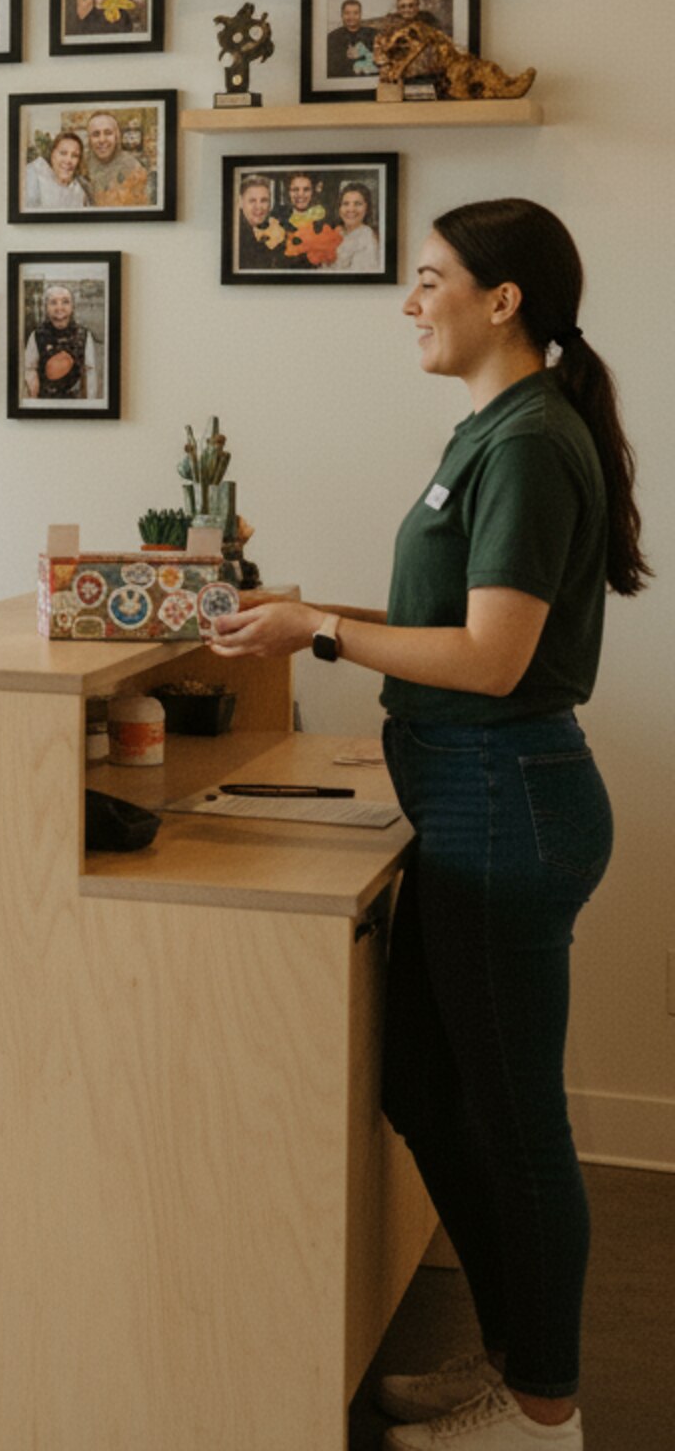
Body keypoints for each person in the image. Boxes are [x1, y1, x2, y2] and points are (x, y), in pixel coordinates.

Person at [211, 199, 647, 1451]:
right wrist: (304, 614)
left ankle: (541, 1408)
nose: (408, 301)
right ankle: (510, 1356)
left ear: (499, 300)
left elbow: (492, 657)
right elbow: (449, 622)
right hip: (469, 793)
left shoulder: (527, 439)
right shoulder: (495, 429)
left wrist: (321, 631)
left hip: (504, 799)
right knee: (419, 1079)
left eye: (427, 277)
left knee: (514, 1123)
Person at [22, 283, 100, 401]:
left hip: (75, 400)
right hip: (45, 399)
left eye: (65, 302)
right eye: (53, 302)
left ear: (73, 306)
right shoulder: (37, 335)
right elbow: (30, 369)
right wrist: (34, 401)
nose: (59, 308)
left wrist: (89, 403)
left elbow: (89, 372)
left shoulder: (84, 335)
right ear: (46, 307)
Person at [82, 110, 152, 207]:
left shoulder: (133, 168)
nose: (102, 140)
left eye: (108, 133)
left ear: (117, 136)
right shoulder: (81, 167)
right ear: (89, 139)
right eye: (96, 134)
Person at [25, 130, 92, 213]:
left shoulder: (80, 192)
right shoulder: (34, 174)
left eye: (74, 155)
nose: (68, 160)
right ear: (52, 155)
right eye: (63, 153)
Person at [327, 180, 383, 273]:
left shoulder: (366, 237)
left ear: (367, 208)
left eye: (358, 204)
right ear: (339, 208)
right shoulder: (338, 232)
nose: (351, 209)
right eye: (346, 204)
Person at [234, 175, 283, 272]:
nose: (259, 207)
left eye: (264, 200)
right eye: (252, 201)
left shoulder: (271, 229)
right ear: (240, 202)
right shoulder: (238, 237)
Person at [327, 0, 378, 82]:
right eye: (347, 13)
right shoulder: (332, 37)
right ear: (342, 15)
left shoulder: (373, 34)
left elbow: (379, 60)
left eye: (356, 13)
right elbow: (331, 68)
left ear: (360, 15)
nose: (351, 17)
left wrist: (362, 55)